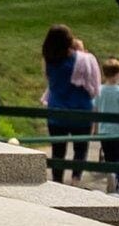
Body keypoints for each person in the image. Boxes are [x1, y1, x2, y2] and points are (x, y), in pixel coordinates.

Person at [45, 22, 107, 172]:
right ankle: (75, 180)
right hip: (80, 110)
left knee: (57, 151)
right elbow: (93, 86)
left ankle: (57, 181)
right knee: (80, 150)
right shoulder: (82, 59)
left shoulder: (49, 60)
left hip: (56, 110)